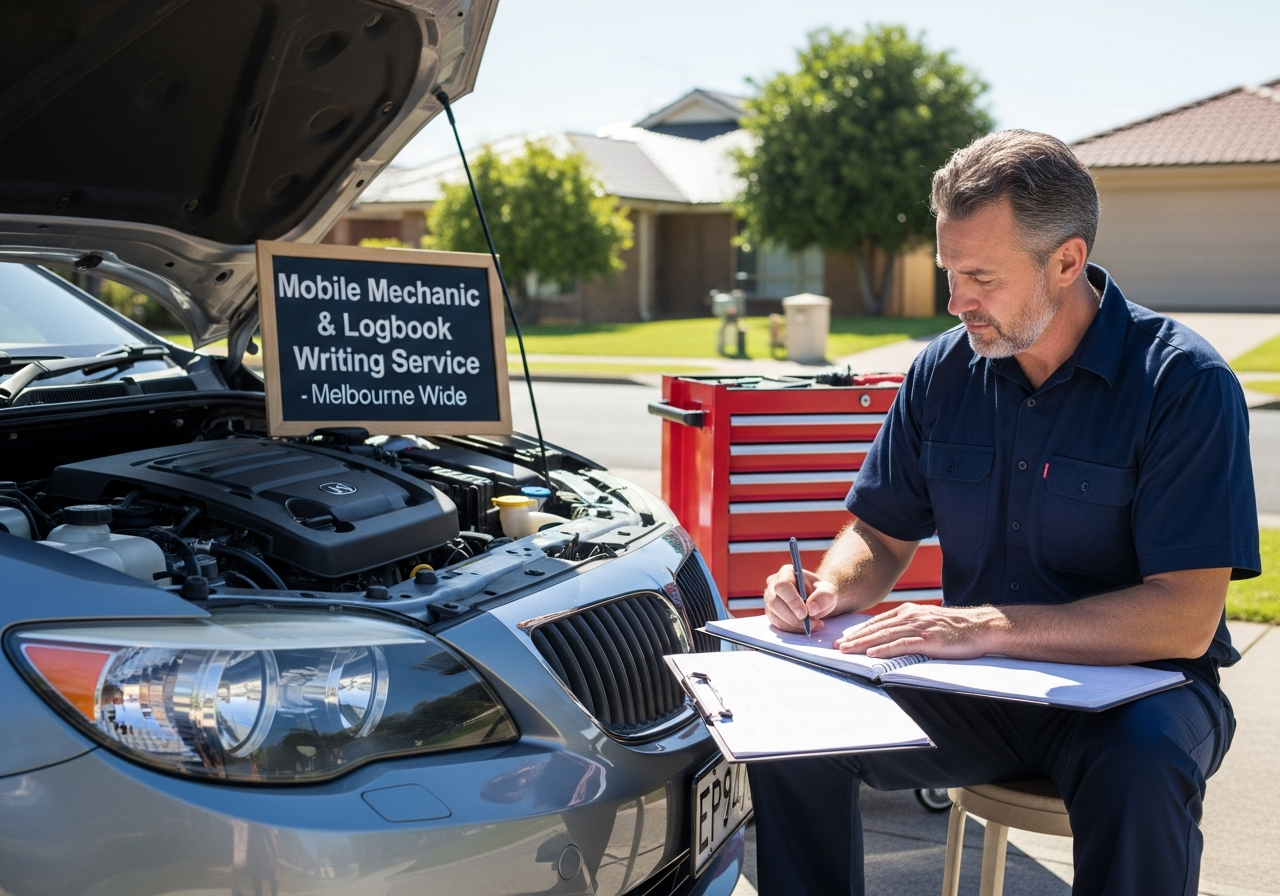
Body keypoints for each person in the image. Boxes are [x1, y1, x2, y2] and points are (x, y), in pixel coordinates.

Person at [751, 130, 1259, 896]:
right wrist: (829, 589)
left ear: (1066, 260)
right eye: (949, 273)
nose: (957, 303)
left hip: (1142, 694)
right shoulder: (942, 371)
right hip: (977, 690)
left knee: (1143, 760)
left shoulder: (1183, 384)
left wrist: (990, 626)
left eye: (980, 276)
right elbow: (879, 531)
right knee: (795, 724)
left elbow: (1183, 619)